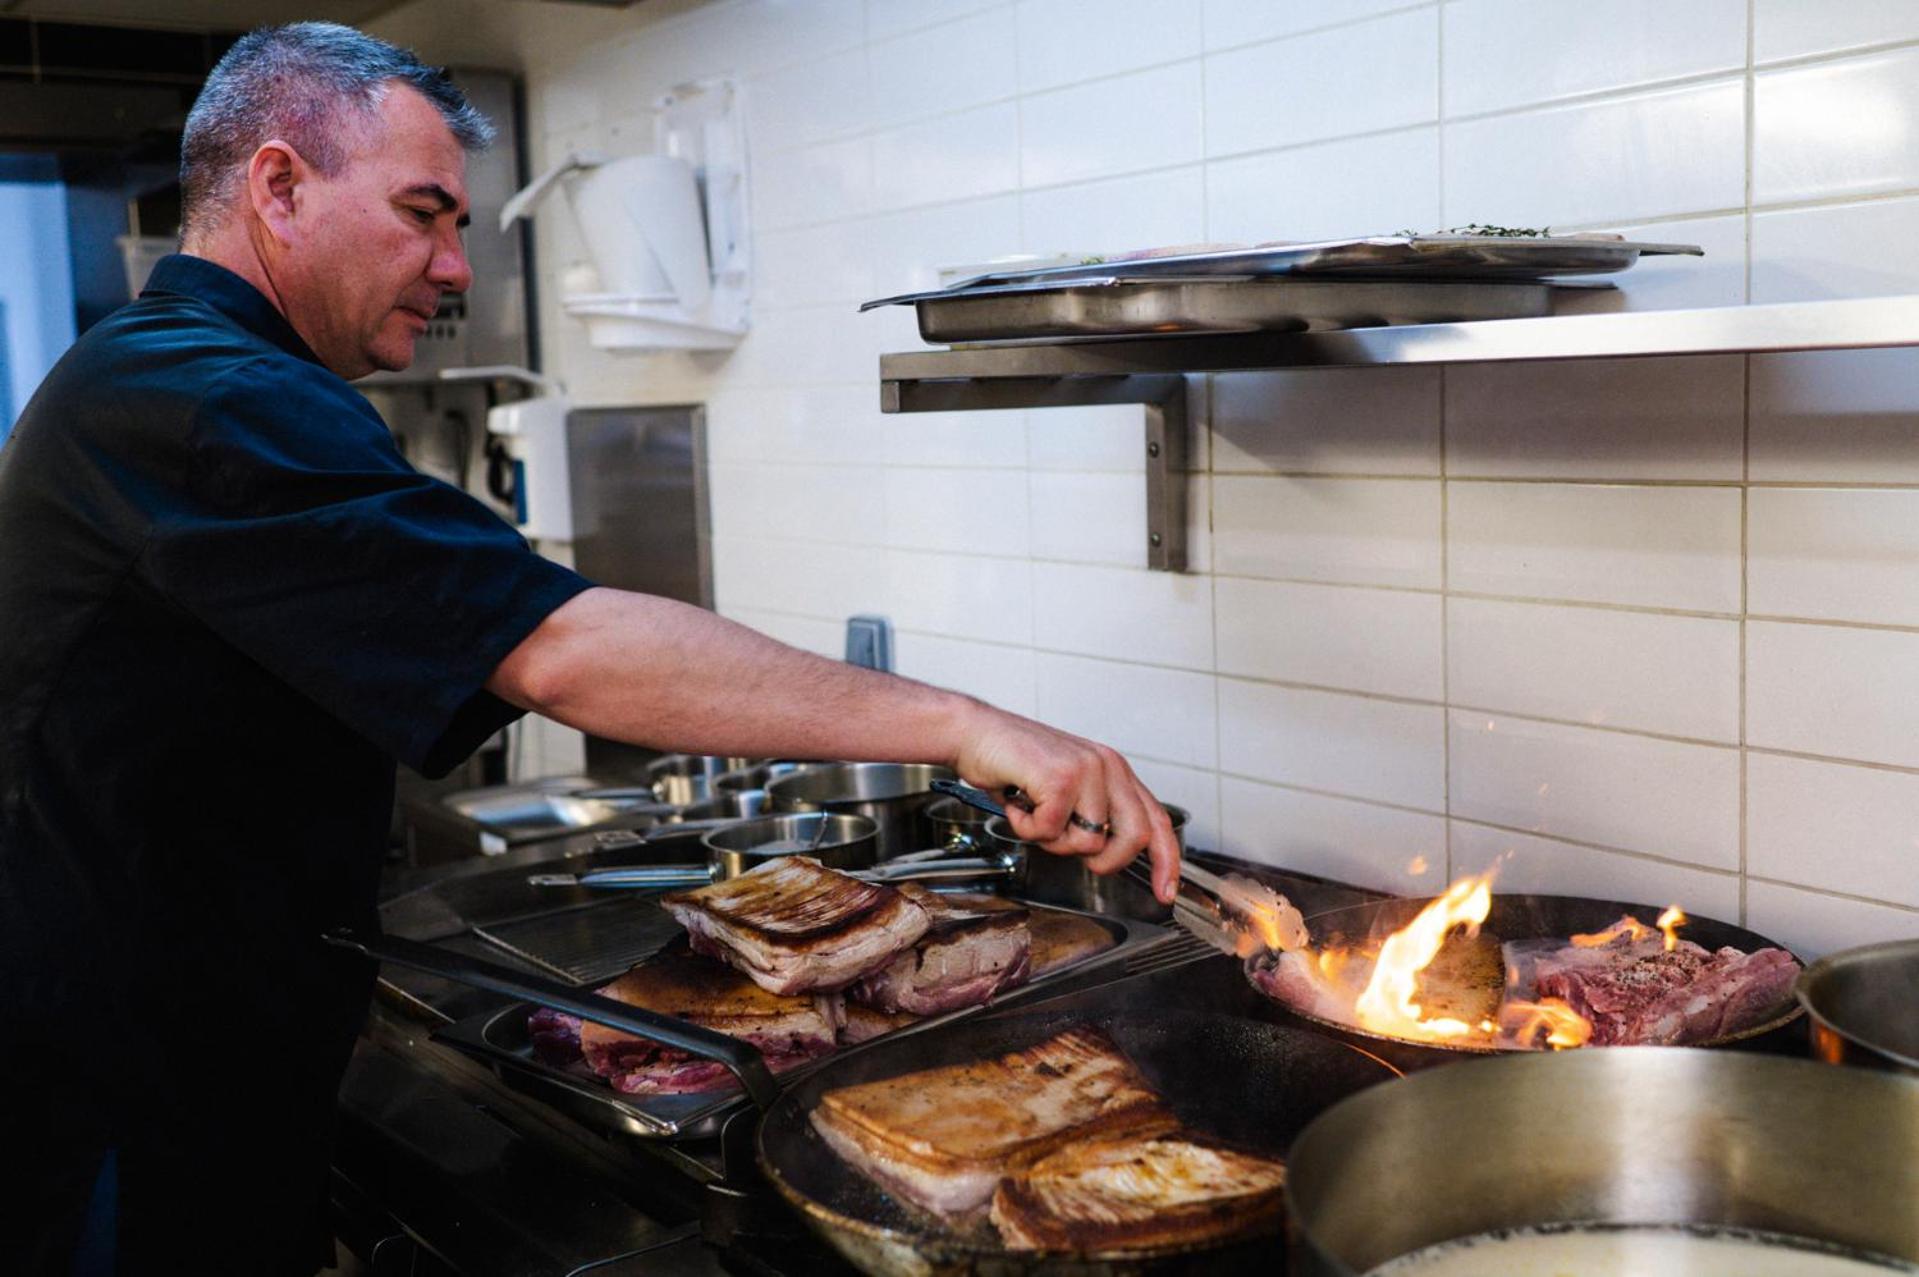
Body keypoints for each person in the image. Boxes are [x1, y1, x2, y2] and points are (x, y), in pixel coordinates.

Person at [0, 22, 1180, 1276]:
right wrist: (965, 725)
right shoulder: (210, 398)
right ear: (280, 185)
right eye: (423, 213)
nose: (454, 268)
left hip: (175, 1051)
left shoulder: (173, 378)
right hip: (120, 1094)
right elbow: (561, 647)